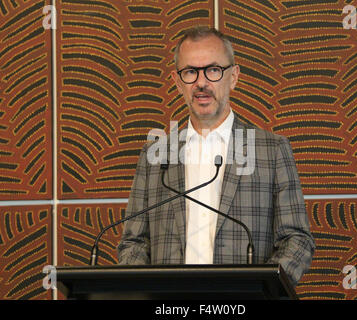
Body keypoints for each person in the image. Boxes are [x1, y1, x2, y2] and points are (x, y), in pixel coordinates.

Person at [117, 26, 315, 286]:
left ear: (233, 76)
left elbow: (297, 240)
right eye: (190, 72)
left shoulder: (271, 150)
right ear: (177, 81)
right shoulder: (155, 155)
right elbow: (133, 242)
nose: (201, 83)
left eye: (213, 70)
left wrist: (260, 291)